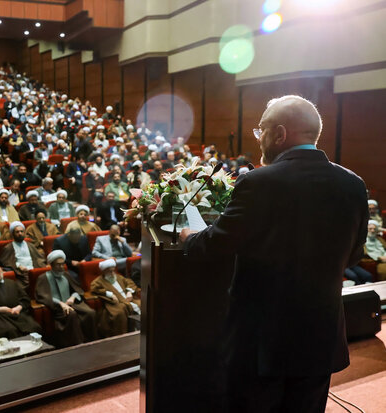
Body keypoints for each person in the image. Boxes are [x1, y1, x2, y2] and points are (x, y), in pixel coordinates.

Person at [179, 95, 368, 413]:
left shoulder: (258, 182)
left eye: (261, 129)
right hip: (319, 337)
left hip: (262, 342)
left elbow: (215, 245)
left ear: (280, 134)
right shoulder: (353, 184)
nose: (259, 137)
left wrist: (189, 236)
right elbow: (353, 257)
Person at [35, 250, 96, 347]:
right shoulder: (43, 278)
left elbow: (78, 290)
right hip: (57, 308)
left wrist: (72, 297)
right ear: (51, 265)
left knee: (90, 313)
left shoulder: (66, 275)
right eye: (57, 265)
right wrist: (60, 303)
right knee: (71, 314)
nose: (61, 267)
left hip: (72, 303)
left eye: (62, 264)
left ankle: (91, 342)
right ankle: (78, 344)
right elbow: (42, 296)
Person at [0, 258, 42, 341]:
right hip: (1, 317)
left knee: (34, 326)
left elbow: (25, 298)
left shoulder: (12, 283)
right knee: (10, 331)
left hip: (17, 313)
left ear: (2, 269)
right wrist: (0, 309)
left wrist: (19, 307)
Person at [90, 258, 141, 338]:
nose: (112, 273)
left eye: (113, 270)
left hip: (127, 298)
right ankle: (123, 336)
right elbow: (94, 289)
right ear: (104, 271)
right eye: (110, 271)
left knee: (141, 304)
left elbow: (130, 283)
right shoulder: (98, 281)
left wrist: (129, 292)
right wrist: (109, 294)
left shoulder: (118, 277)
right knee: (119, 313)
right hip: (114, 302)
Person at [0, 221, 47, 288]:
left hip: (33, 270)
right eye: (17, 232)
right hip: (20, 274)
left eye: (21, 231)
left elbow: (39, 258)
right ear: (12, 234)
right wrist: (18, 266)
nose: (20, 234)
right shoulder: (8, 248)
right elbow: (5, 263)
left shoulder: (30, 245)